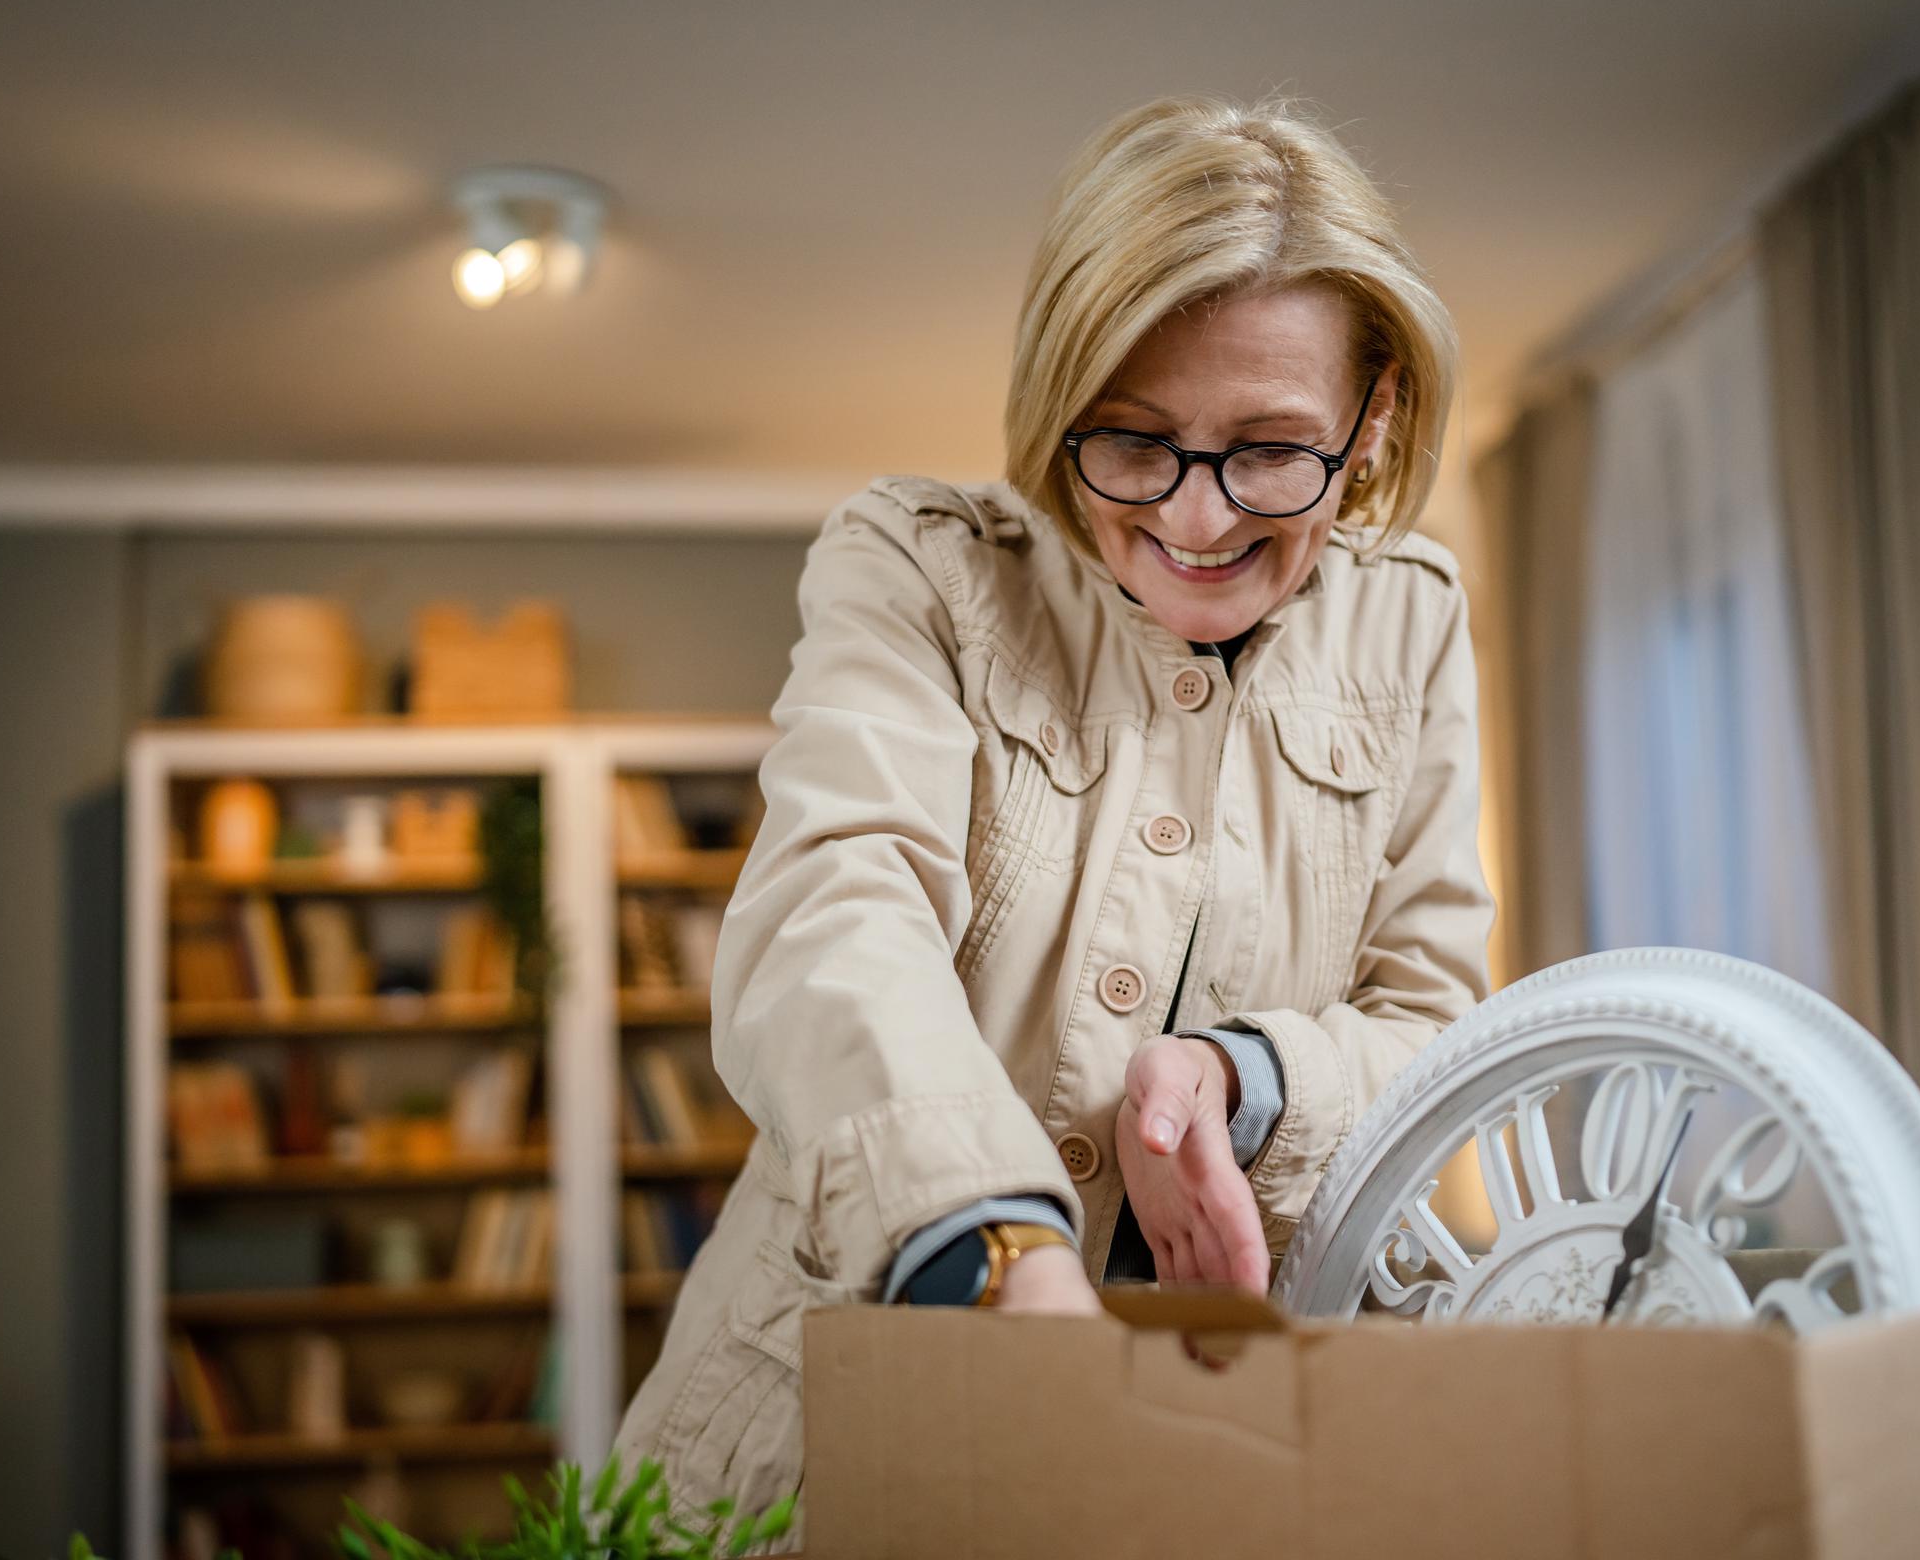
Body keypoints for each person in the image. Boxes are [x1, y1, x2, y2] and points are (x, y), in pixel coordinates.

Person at [614, 93, 1493, 1539]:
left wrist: (1246, 1080)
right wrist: (1003, 1244)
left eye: (1271, 450)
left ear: (1374, 412)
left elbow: (1434, 1023)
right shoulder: (920, 572)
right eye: (1135, 443)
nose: (1199, 522)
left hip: (1226, 1442)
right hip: (810, 1432)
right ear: (1060, 396)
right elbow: (835, 922)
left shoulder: (1413, 626)